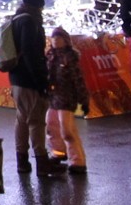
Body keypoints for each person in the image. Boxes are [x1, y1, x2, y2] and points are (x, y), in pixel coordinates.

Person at [0, 0, 61, 178]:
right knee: (36, 121)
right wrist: (41, 81)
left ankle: (22, 162)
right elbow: (30, 53)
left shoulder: (16, 19)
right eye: (42, 8)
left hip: (16, 79)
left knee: (22, 120)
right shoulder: (29, 21)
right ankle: (42, 163)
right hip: (29, 80)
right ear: (37, 7)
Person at [45, 26, 88, 174]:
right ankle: (57, 153)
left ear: (65, 40)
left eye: (59, 38)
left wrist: (84, 100)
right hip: (53, 98)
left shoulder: (70, 58)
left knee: (67, 130)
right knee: (51, 126)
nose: (55, 40)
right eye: (54, 38)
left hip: (67, 98)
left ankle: (78, 160)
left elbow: (78, 80)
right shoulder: (50, 56)